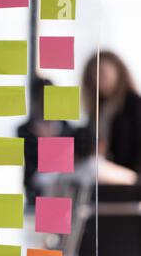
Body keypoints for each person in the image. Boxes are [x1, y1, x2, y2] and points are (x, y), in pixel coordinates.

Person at [78, 51, 141, 185]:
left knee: (92, 167)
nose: (97, 79)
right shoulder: (98, 110)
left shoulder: (134, 105)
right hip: (107, 174)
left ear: (118, 72)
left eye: (102, 73)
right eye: (93, 75)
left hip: (131, 176)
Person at [17, 77, 75, 206]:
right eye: (41, 98)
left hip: (64, 196)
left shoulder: (68, 129)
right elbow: (31, 173)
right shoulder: (24, 131)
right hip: (36, 197)